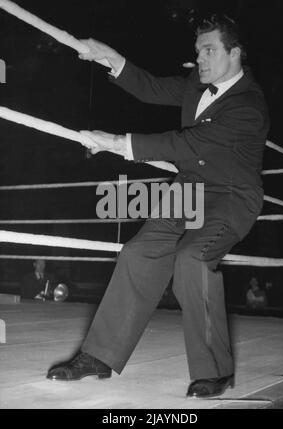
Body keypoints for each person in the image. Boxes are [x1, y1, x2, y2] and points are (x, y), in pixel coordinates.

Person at [47, 14, 270, 398]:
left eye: (209, 50)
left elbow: (190, 145)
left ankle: (215, 371)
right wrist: (108, 56)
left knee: (192, 257)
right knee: (137, 253)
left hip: (231, 198)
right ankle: (99, 356)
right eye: (198, 51)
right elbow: (149, 86)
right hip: (189, 192)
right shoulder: (195, 85)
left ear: (235, 53)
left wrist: (119, 143)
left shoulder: (249, 105)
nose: (200, 59)